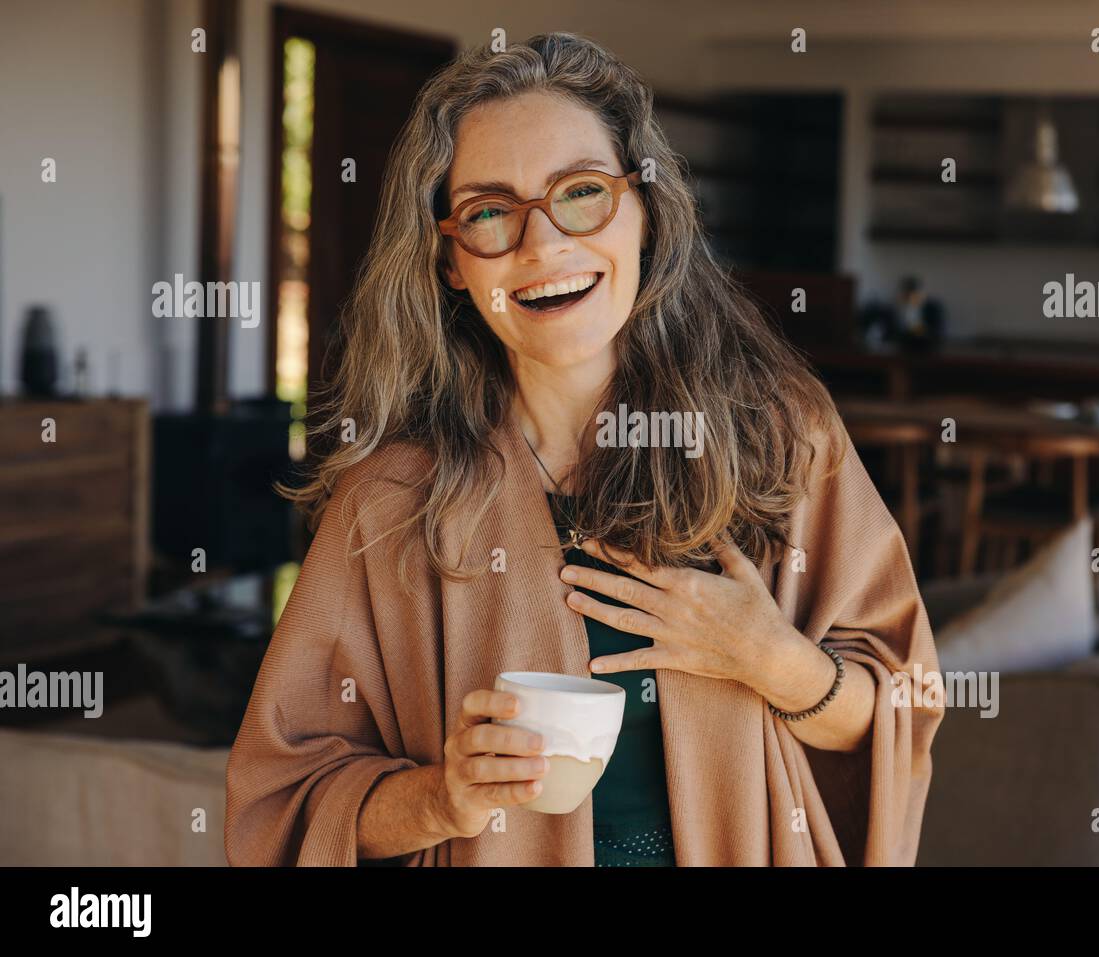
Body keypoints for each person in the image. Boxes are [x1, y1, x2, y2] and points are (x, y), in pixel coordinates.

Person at [224, 31, 944, 867]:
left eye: (582, 192)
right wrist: (441, 797)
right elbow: (280, 801)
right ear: (451, 259)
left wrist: (775, 659)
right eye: (491, 212)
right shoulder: (390, 500)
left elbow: (905, 706)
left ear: (645, 210)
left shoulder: (779, 437)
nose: (543, 247)